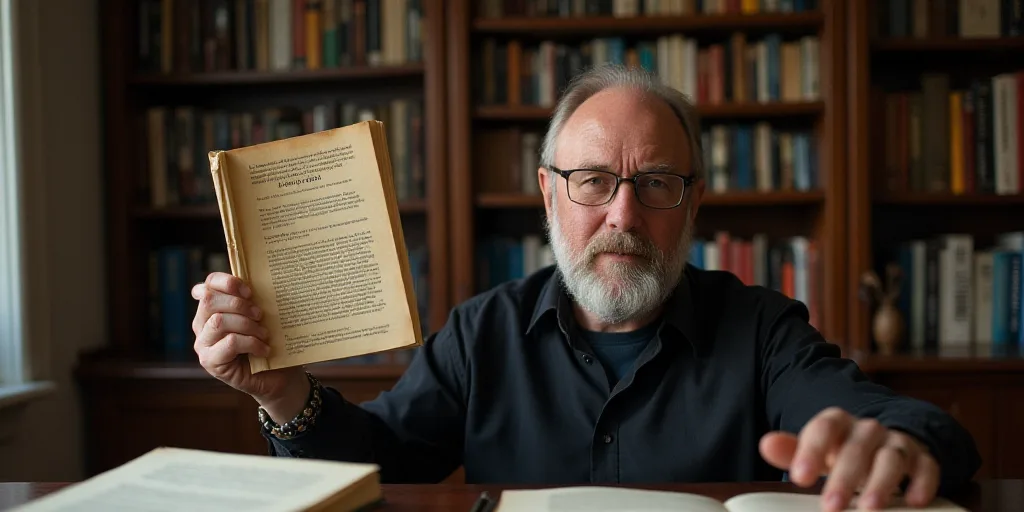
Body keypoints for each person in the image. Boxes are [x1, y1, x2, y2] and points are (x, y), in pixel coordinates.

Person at [190, 64, 980, 512]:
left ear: (694, 203)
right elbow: (378, 469)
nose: (623, 215)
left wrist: (901, 445)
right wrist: (285, 394)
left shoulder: (761, 328)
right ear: (548, 195)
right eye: (594, 181)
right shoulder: (483, 332)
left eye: (658, 183)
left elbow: (886, 419)